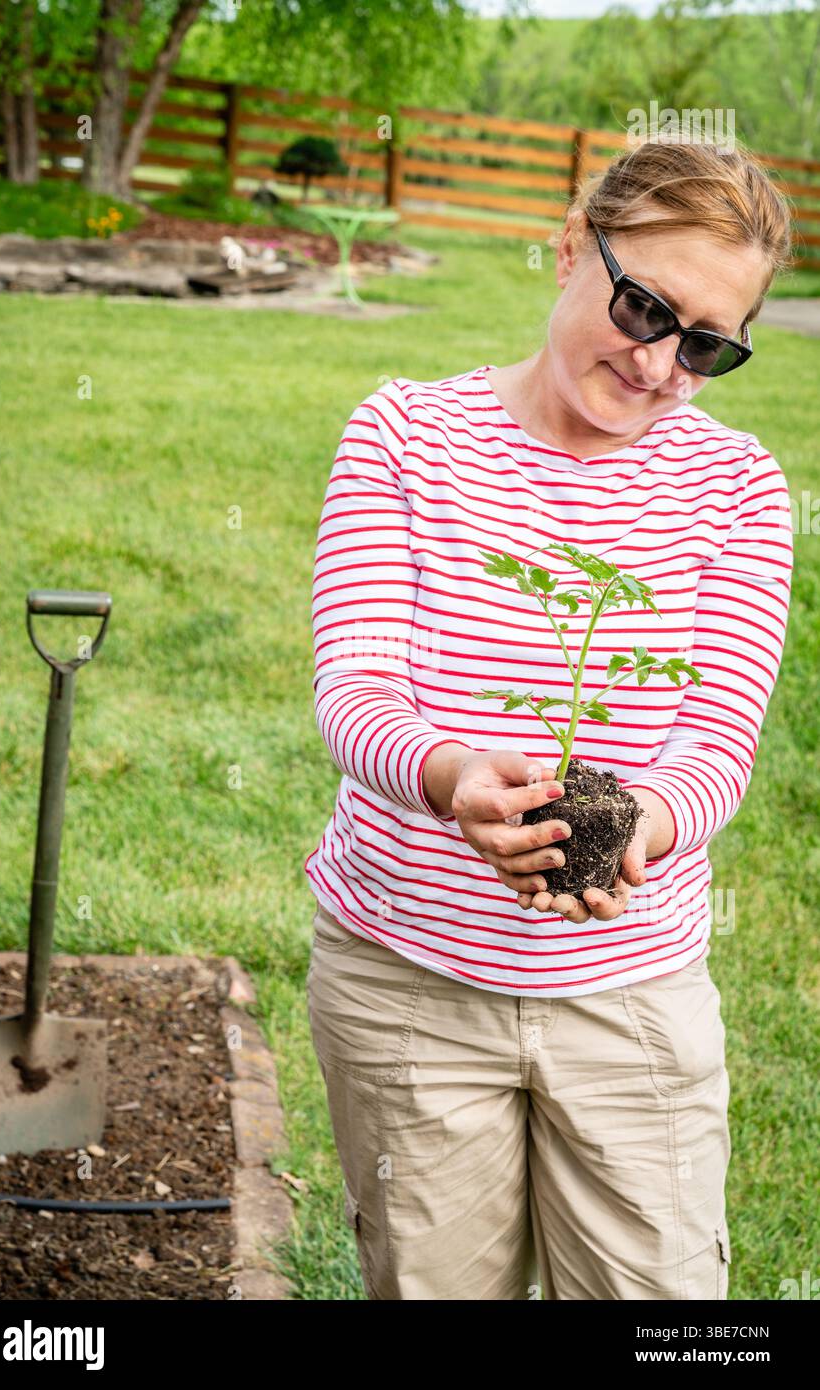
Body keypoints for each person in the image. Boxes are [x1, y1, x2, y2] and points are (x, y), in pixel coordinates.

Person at [304, 136, 794, 1300]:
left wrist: (646, 824)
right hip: (405, 982)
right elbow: (357, 687)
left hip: (631, 994)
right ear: (575, 245)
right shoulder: (404, 436)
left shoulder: (739, 489)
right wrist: (452, 773)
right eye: (644, 307)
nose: (661, 363)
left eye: (708, 344)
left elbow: (716, 742)